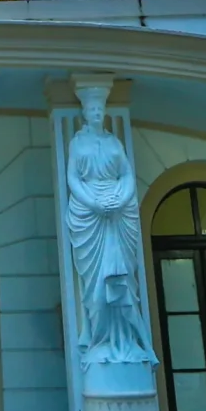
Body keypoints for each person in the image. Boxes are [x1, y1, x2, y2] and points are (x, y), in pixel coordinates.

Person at [64, 83, 156, 366]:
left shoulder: (115, 143)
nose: (96, 113)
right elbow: (73, 179)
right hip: (90, 214)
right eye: (91, 109)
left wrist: (121, 198)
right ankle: (98, 340)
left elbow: (127, 174)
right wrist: (93, 203)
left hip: (118, 213)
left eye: (99, 109)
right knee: (96, 289)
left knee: (124, 282)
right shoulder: (77, 143)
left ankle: (131, 343)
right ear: (84, 112)